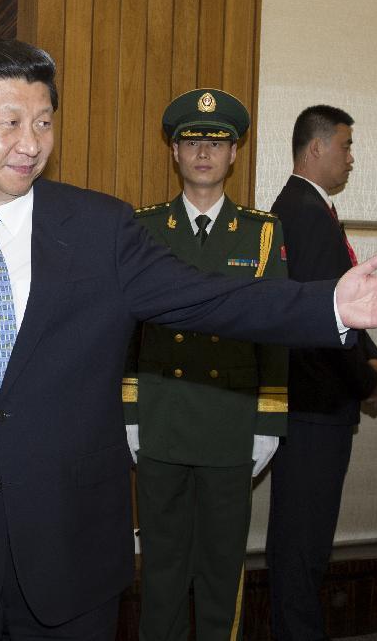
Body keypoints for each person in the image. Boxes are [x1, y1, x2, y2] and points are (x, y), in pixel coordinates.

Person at [0, 39, 377, 641]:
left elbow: (209, 296)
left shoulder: (100, 229)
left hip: (74, 542)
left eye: (44, 122)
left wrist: (328, 303)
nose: (32, 143)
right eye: (10, 122)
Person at [123, 89, 287, 640]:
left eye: (217, 142)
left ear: (234, 154)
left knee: (221, 572)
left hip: (229, 420)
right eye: (191, 140)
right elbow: (125, 328)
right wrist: (129, 411)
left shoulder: (262, 232)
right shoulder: (142, 228)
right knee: (163, 572)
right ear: (173, 150)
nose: (203, 152)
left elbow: (277, 334)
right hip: (163, 419)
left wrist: (268, 420)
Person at [266, 104, 377, 641]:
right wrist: (366, 380)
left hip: (314, 406)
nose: (351, 158)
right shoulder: (306, 212)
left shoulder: (308, 210)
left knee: (302, 545)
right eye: (346, 145)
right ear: (316, 148)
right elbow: (324, 323)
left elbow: (345, 301)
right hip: (316, 408)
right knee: (302, 548)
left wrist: (374, 354)